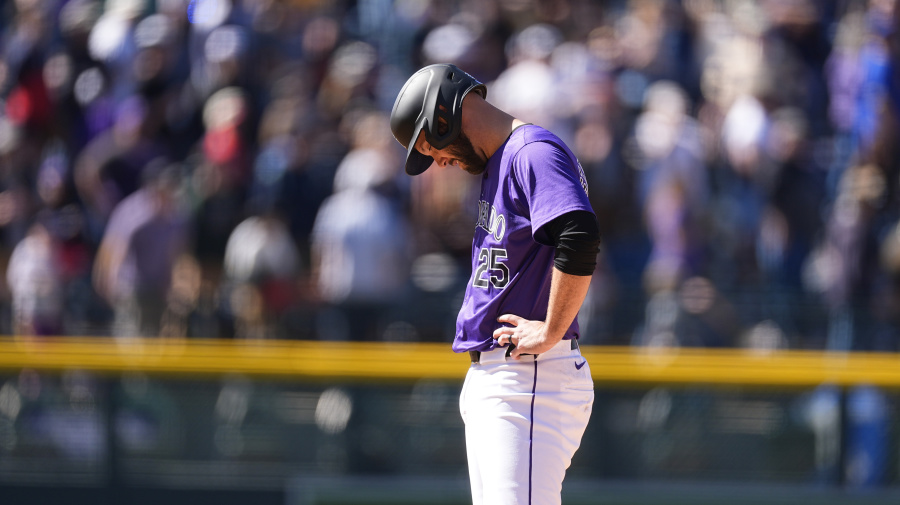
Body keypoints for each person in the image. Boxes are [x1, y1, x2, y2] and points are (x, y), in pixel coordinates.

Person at [390, 63, 599, 505]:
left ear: (446, 116)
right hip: (505, 379)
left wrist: (549, 330)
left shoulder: (532, 151)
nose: (439, 161)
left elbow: (579, 235)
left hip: (527, 377)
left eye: (434, 145)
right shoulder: (503, 160)